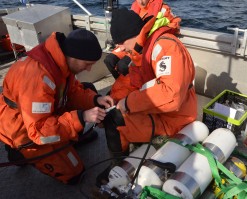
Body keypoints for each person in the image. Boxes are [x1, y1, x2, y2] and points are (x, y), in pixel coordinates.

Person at [0, 29, 114, 184]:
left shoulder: (61, 61)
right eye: (87, 64)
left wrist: (96, 100)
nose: (89, 69)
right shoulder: (37, 78)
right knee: (75, 173)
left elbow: (72, 91)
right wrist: (82, 118)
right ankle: (18, 152)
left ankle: (69, 139)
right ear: (74, 57)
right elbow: (38, 130)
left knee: (88, 88)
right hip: (23, 130)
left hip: (46, 112)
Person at [97, 8, 197, 183]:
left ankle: (119, 167)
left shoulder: (165, 47)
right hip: (158, 110)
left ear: (131, 36)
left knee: (114, 119)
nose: (120, 48)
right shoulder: (143, 48)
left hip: (175, 118)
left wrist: (127, 104)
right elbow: (134, 84)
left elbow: (171, 95)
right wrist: (114, 99)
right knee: (110, 112)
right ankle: (123, 164)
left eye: (120, 43)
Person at [104, 0, 181, 102]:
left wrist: (128, 104)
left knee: (123, 65)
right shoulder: (135, 6)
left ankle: (127, 92)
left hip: (145, 42)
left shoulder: (163, 9)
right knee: (109, 60)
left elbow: (170, 95)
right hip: (135, 40)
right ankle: (120, 89)